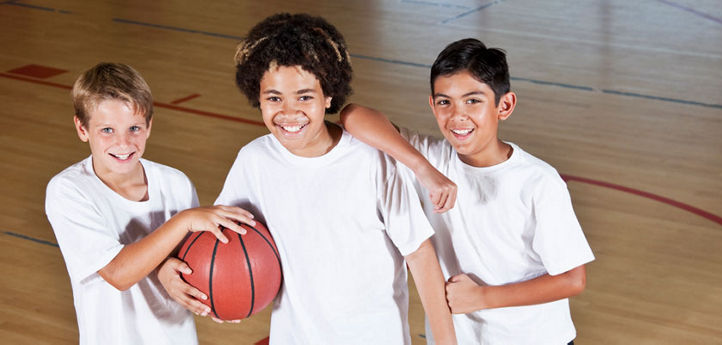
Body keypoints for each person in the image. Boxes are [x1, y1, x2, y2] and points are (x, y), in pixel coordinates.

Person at [155, 13, 456, 344]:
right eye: (273, 98)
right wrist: (169, 269)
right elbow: (216, 238)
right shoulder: (254, 162)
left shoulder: (372, 160)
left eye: (304, 96)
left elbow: (421, 257)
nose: (288, 111)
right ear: (257, 96)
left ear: (328, 96)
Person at [341, 38, 594, 344]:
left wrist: (482, 297)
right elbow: (352, 115)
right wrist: (423, 169)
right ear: (433, 105)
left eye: (473, 101)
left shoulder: (539, 182)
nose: (458, 116)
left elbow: (572, 279)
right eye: (445, 102)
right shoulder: (431, 157)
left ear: (505, 105)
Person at [45, 62, 255, 344]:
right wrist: (183, 221)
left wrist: (219, 294)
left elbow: (186, 261)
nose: (123, 142)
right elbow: (118, 273)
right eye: (107, 130)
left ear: (149, 127)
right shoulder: (69, 191)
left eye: (134, 128)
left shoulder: (176, 183)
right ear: (82, 129)